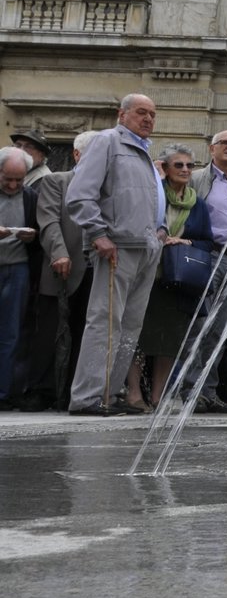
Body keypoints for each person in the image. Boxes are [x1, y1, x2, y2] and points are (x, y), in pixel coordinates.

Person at [64, 93, 163, 416]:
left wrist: (159, 232)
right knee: (104, 322)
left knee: (130, 325)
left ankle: (110, 391)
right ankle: (88, 397)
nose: (148, 119)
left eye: (152, 114)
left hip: (145, 247)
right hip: (117, 246)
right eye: (141, 113)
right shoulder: (107, 142)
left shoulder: (145, 152)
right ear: (122, 115)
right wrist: (98, 234)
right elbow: (80, 195)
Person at [15, 132, 92, 411]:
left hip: (94, 269)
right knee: (47, 331)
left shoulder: (107, 187)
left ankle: (73, 391)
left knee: (83, 331)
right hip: (60, 266)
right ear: (77, 155)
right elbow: (48, 221)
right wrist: (59, 252)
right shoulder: (55, 181)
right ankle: (41, 389)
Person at [138, 144, 216, 412]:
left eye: (189, 166)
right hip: (149, 274)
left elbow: (208, 242)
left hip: (179, 279)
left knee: (169, 341)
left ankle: (159, 396)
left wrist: (185, 240)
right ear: (165, 168)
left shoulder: (198, 203)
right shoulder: (154, 196)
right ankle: (135, 394)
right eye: (178, 165)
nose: (185, 170)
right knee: (141, 338)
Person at [184, 130, 227, 410]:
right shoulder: (199, 178)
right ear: (212, 149)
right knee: (199, 325)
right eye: (224, 143)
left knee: (221, 331)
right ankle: (191, 392)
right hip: (208, 256)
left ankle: (209, 392)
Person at [0, 147, 41, 408]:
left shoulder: (31, 197)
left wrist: (32, 236)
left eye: (19, 179)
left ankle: (4, 393)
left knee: (11, 334)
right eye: (8, 179)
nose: (14, 185)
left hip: (18, 269)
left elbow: (41, 233)